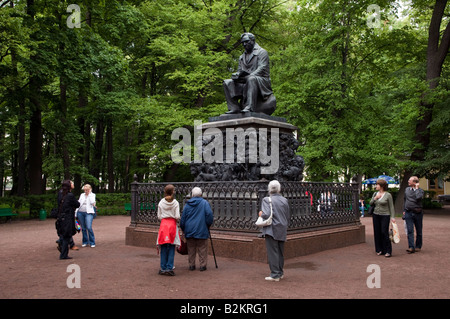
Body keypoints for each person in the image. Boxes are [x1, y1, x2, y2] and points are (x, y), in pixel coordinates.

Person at [223, 33, 276, 115]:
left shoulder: (262, 52)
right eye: (243, 42)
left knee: (251, 79)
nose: (244, 44)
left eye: (247, 42)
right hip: (245, 80)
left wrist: (250, 75)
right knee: (227, 82)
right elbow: (240, 70)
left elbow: (262, 68)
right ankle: (234, 108)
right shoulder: (242, 57)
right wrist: (237, 75)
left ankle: (250, 107)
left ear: (252, 41)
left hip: (260, 80)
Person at [258, 180, 290, 281]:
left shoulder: (267, 200)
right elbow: (287, 215)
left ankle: (275, 274)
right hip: (282, 227)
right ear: (279, 189)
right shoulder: (284, 200)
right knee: (280, 252)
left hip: (272, 229)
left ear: (269, 189)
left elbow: (266, 214)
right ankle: (280, 272)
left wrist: (260, 214)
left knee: (273, 252)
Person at [180, 187, 213, 271]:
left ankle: (191, 265)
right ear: (201, 194)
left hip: (189, 229)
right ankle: (202, 265)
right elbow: (209, 215)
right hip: (202, 229)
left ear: (192, 195)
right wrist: (208, 224)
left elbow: (183, 218)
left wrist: (183, 228)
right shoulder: (205, 203)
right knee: (202, 248)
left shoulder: (187, 204)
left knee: (191, 248)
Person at [156, 184, 181, 276]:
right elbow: (177, 216)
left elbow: (159, 216)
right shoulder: (175, 202)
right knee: (171, 247)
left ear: (165, 192)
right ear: (173, 192)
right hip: (172, 225)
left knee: (163, 246)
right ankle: (169, 267)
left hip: (163, 225)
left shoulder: (161, 202)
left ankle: (163, 267)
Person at [370, 179, 396, 258]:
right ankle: (379, 249)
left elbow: (391, 206)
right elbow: (371, 203)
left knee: (384, 232)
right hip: (376, 215)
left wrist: (393, 217)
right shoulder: (375, 193)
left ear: (382, 186)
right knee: (377, 232)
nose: (376, 186)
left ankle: (388, 250)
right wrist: (375, 198)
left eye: (377, 185)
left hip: (385, 215)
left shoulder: (388, 195)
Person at [56, 180, 80, 260]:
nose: (73, 184)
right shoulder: (70, 195)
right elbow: (77, 204)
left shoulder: (60, 193)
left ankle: (61, 244)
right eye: (72, 183)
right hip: (67, 218)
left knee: (63, 234)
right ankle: (63, 254)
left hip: (60, 217)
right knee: (67, 236)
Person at [403, 176, 425, 254]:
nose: (408, 181)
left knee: (419, 230)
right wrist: (404, 210)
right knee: (410, 230)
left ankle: (418, 246)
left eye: (410, 180)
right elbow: (405, 200)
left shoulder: (420, 191)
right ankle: (411, 247)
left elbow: (418, 197)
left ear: (415, 182)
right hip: (408, 212)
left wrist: (416, 189)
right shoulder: (406, 190)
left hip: (418, 213)